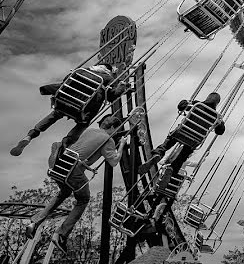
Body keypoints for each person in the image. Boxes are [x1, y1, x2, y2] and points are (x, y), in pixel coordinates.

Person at [26, 115, 127, 251]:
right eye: (116, 129)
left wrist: (87, 165)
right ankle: (61, 235)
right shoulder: (108, 140)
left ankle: (35, 222)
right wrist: (121, 145)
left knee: (64, 192)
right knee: (83, 199)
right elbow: (114, 161)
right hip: (73, 171)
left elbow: (83, 150)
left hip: (60, 165)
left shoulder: (90, 131)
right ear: (113, 127)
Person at [11, 63, 129, 156]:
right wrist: (122, 86)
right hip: (83, 111)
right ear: (108, 71)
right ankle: (65, 145)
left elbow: (65, 82)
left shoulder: (81, 70)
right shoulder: (107, 78)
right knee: (82, 125)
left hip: (63, 102)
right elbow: (112, 96)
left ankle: (30, 135)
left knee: (55, 114)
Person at [139, 93, 224, 174]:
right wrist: (221, 122)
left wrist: (187, 102)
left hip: (181, 132)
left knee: (169, 141)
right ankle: (172, 169)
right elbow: (220, 131)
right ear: (216, 103)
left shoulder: (197, 105)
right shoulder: (216, 116)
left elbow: (181, 106)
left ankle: (158, 154)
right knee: (184, 155)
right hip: (194, 140)